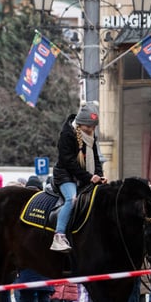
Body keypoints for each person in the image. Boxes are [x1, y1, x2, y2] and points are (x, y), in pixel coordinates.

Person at [51, 102, 105, 252]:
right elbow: (68, 162)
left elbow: (95, 158)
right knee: (72, 198)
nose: (91, 130)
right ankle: (59, 235)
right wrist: (89, 177)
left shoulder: (91, 136)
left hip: (83, 176)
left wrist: (100, 176)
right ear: (80, 123)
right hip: (65, 175)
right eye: (88, 127)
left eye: (93, 127)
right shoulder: (67, 134)